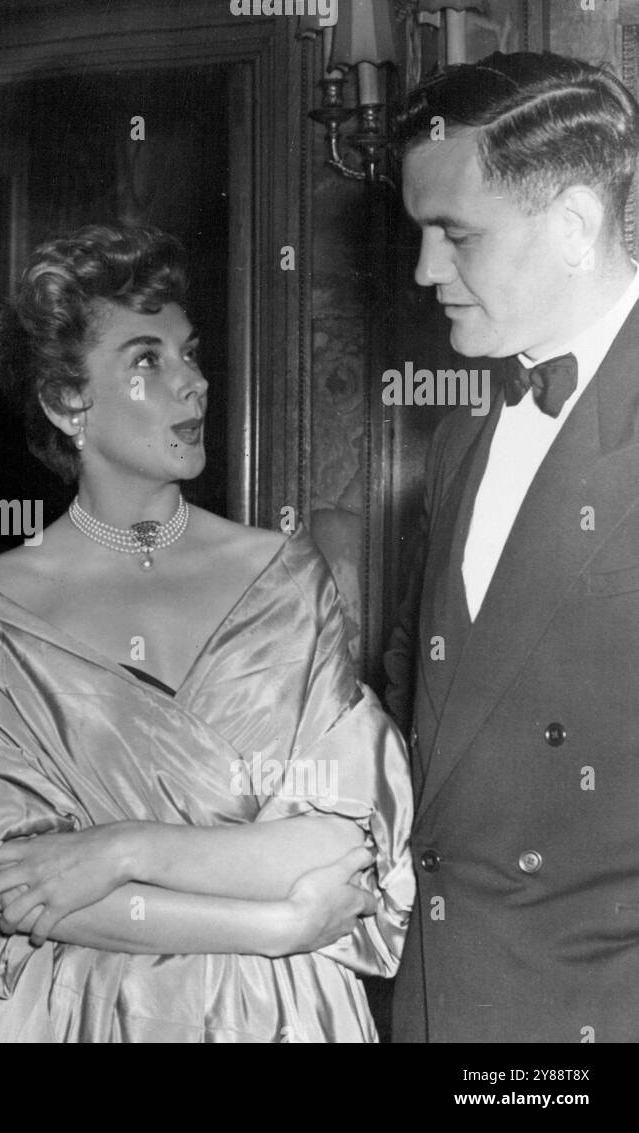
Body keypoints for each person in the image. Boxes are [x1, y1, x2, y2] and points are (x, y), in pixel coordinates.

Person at [0, 224, 414, 1042]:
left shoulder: (285, 575)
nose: (193, 384)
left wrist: (119, 851)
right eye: (148, 360)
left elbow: (338, 848)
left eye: (189, 354)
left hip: (284, 1018)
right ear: (65, 401)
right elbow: (11, 887)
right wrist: (277, 926)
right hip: (92, 1013)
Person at [385, 51, 639, 1044]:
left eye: (455, 235)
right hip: (439, 1001)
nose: (422, 271)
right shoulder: (459, 441)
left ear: (573, 224)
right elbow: (431, 698)